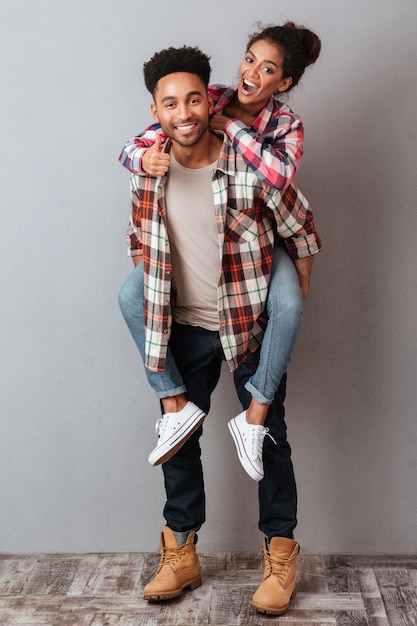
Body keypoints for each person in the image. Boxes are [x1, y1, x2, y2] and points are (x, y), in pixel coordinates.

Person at [118, 44, 321, 616]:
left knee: (271, 440)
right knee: (178, 440)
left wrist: (294, 291)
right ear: (155, 112)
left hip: (248, 324)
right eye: (168, 104)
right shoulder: (149, 169)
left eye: (192, 99)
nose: (182, 113)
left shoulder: (247, 164)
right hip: (185, 325)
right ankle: (180, 550)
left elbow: (298, 221)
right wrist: (151, 291)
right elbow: (137, 237)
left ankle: (280, 555)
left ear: (210, 101)